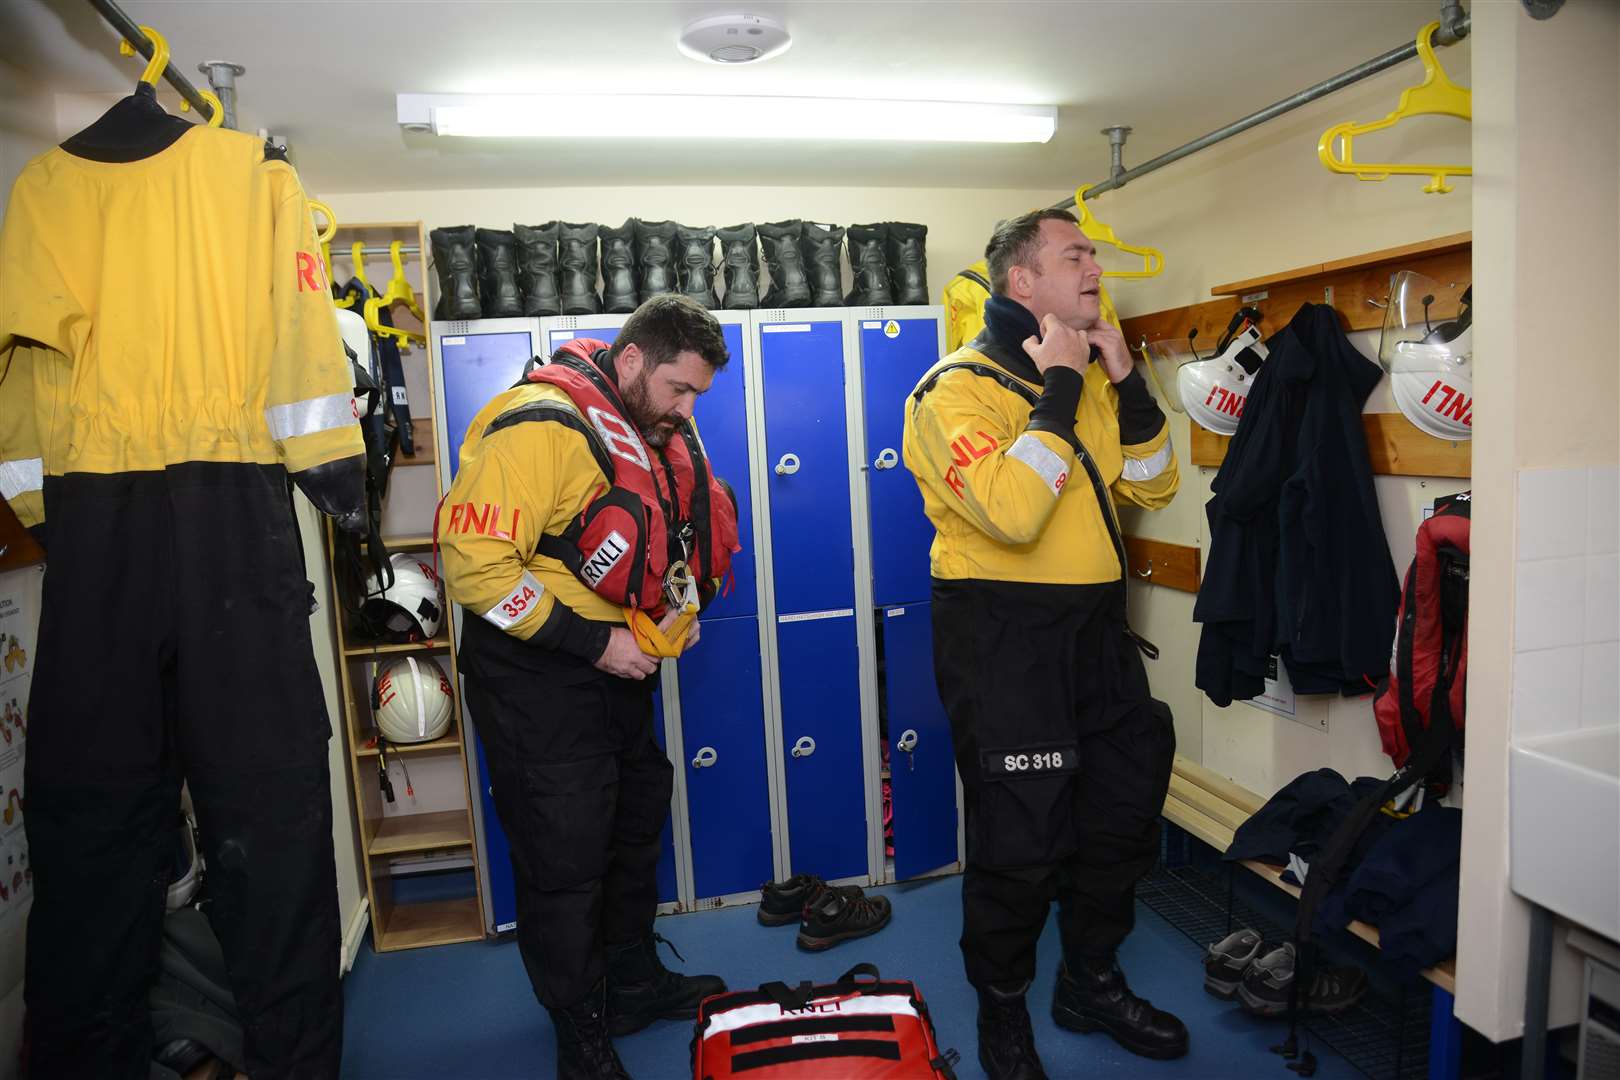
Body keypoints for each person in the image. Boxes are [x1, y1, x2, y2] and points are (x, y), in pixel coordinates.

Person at [901, 209, 1185, 1078]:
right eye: (1076, 255)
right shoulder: (955, 390)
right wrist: (1061, 385)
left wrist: (1126, 379)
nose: (1096, 266)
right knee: (1021, 843)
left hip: (1095, 630)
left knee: (1121, 814)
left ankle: (1089, 980)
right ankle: (1002, 1007)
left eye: (1094, 252)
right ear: (1022, 282)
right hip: (1004, 636)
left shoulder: (1093, 379)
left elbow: (1157, 483)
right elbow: (1017, 513)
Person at [438, 293, 739, 1079]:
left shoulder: (648, 422)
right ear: (633, 360)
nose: (687, 407)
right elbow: (474, 569)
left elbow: (656, 528)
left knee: (634, 825)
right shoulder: (538, 425)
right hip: (538, 671)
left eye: (698, 394)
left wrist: (680, 607)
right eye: (679, 388)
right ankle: (580, 1036)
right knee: (565, 857)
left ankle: (631, 983)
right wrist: (590, 643)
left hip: (618, 664)